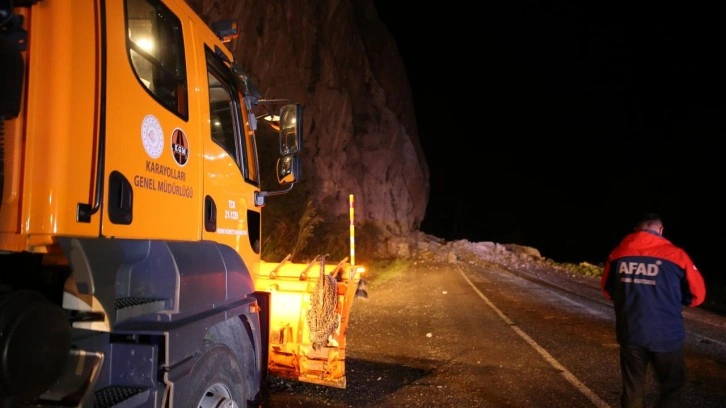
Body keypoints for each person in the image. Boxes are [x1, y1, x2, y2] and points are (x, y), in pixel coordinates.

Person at [601, 213, 706, 408]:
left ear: (636, 229)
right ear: (660, 230)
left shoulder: (617, 255)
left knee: (632, 389)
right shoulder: (677, 256)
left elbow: (608, 291)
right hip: (666, 336)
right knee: (673, 386)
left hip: (630, 333)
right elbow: (697, 296)